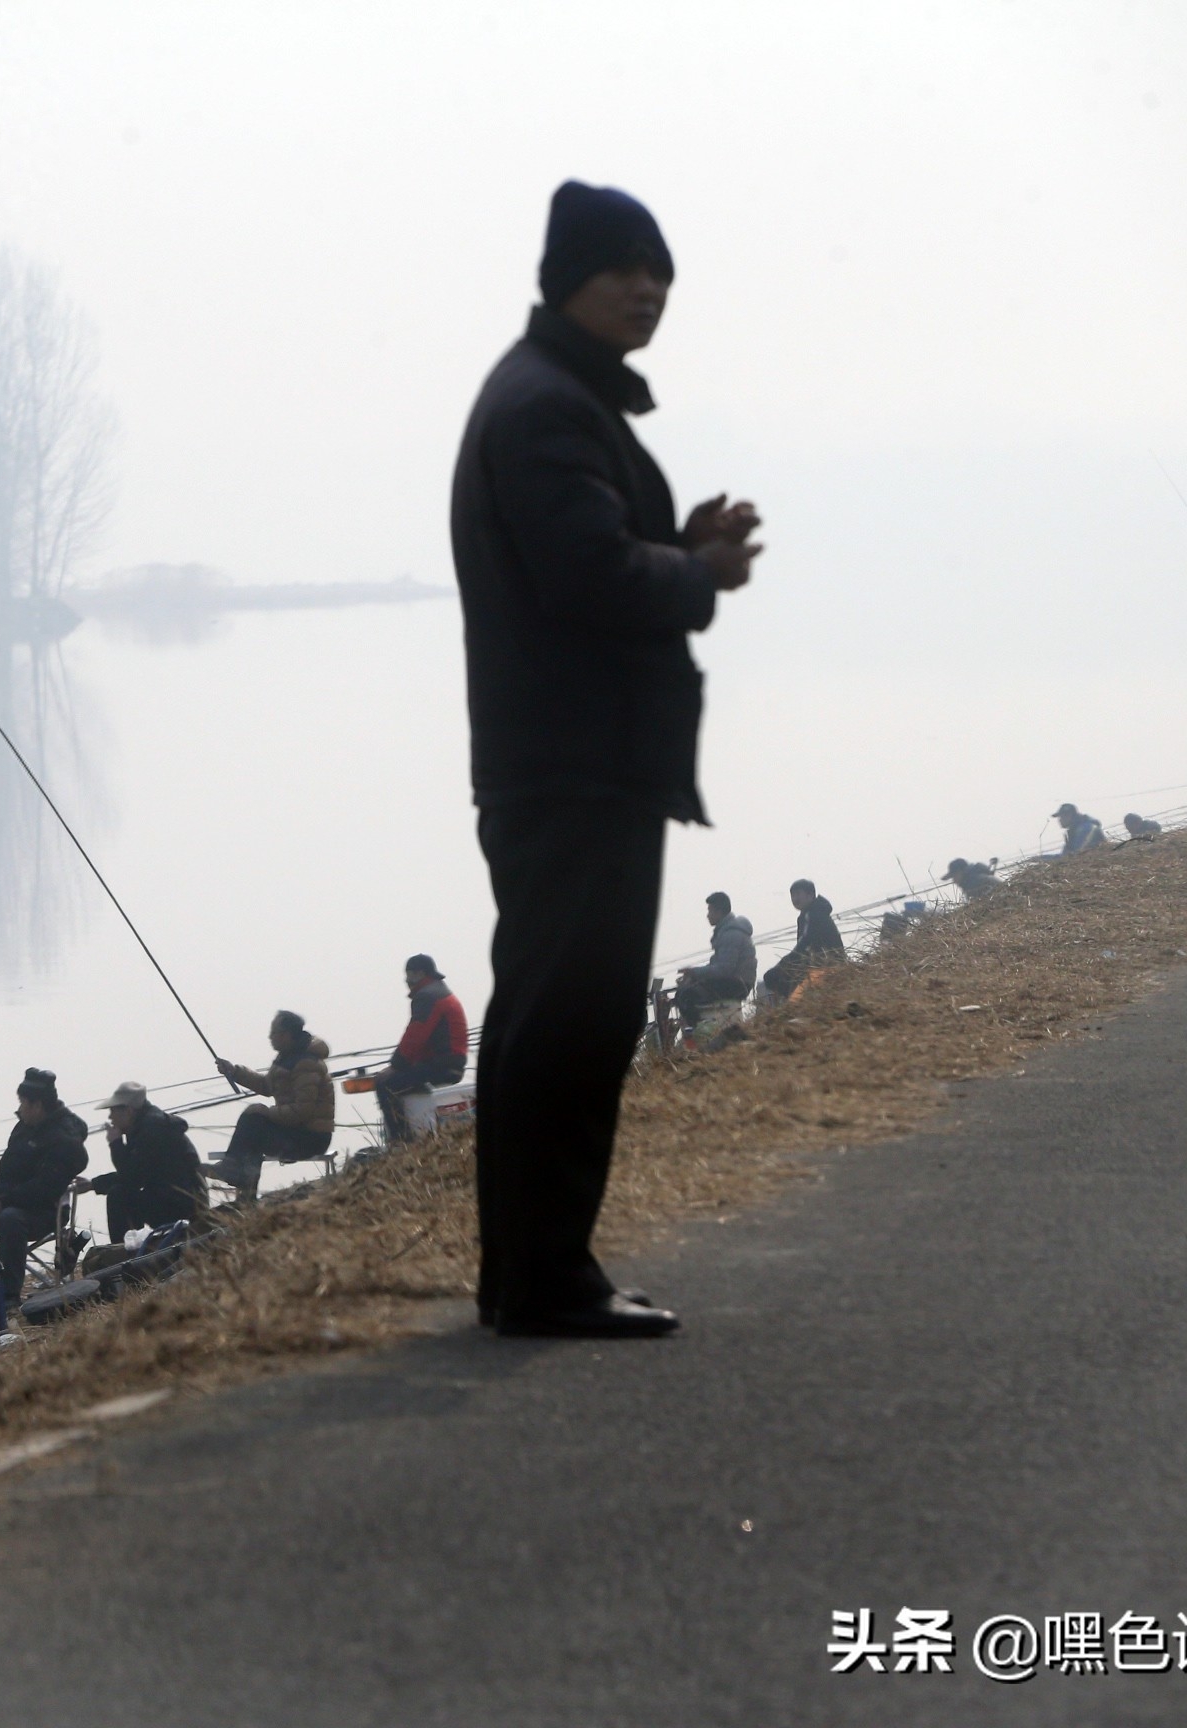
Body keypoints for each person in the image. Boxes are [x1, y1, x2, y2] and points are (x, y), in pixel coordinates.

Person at [453, 179, 761, 1337]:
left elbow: (587, 556)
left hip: (582, 762)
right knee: (566, 1021)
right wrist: (698, 577)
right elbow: (583, 580)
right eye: (624, 269)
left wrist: (673, 550)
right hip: (570, 766)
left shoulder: (561, 400)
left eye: (662, 273)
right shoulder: (545, 408)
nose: (649, 289)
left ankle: (542, 1271)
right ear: (565, 281)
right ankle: (538, 1281)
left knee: (573, 1015)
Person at [0, 1067, 90, 1303]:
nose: (18, 1109)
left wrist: (2, 1202)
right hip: (6, 1202)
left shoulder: (64, 1138)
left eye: (22, 1103)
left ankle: (9, 1295)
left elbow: (44, 1187)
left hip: (46, 1211)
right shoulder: (25, 1126)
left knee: (10, 1219)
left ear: (37, 1105)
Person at [208, 1012, 334, 1201]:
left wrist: (267, 1113)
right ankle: (242, 1187)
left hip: (311, 1138)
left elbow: (303, 1111)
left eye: (274, 1032)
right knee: (255, 1123)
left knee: (255, 1122)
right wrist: (235, 1072)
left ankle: (237, 1176)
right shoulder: (288, 1058)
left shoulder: (306, 1063)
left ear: (286, 1035)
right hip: (296, 1131)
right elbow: (268, 1086)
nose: (270, 1037)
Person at [80, 1082, 203, 1242]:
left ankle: (123, 1253)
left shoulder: (151, 1130)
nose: (110, 1117)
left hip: (181, 1206)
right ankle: (131, 1248)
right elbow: (136, 1170)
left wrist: (116, 1144)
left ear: (129, 1110)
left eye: (113, 1110)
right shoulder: (145, 1127)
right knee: (121, 1192)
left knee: (119, 1196)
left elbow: (132, 1179)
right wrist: (93, 1184)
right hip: (174, 1199)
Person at [376, 954, 469, 1143]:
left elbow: (416, 1034)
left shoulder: (427, 996)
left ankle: (400, 1140)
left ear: (419, 973)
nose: (406, 980)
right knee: (399, 1079)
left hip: (441, 1065)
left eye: (409, 974)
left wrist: (398, 1062)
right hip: (450, 1062)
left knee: (385, 1083)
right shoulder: (439, 991)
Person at [674, 892, 757, 1022]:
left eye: (710, 910)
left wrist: (694, 973)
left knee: (686, 995)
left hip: (737, 983)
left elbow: (724, 969)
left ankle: (698, 1031)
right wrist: (694, 975)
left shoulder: (730, 934)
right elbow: (718, 966)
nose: (708, 915)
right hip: (737, 981)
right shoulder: (728, 931)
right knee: (686, 991)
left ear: (719, 911)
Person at [759, 879, 845, 1001]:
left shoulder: (815, 914)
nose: (795, 898)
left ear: (810, 895)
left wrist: (783, 965)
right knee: (776, 979)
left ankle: (802, 1001)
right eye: (792, 895)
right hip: (816, 966)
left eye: (798, 894)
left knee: (772, 977)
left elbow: (805, 943)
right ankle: (800, 1000)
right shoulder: (808, 914)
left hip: (826, 968)